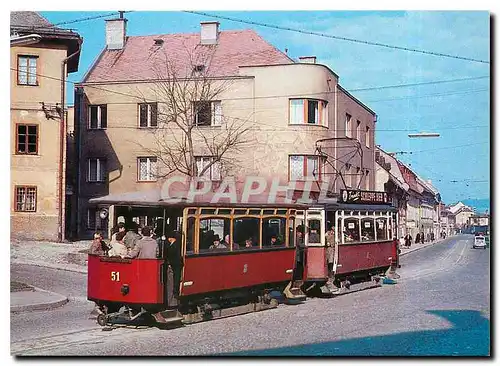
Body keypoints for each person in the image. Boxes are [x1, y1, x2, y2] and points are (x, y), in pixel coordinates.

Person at [165, 231, 183, 300]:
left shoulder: (176, 244)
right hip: (175, 263)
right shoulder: (175, 244)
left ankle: (176, 292)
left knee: (176, 277)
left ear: (171, 238)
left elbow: (173, 253)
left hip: (176, 264)